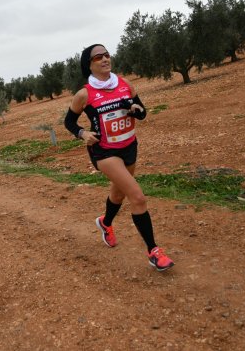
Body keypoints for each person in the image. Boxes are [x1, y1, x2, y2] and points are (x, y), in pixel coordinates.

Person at [64, 44, 174, 272]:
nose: (105, 59)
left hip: (129, 146)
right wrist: (83, 133)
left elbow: (142, 112)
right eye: (98, 57)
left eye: (107, 55)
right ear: (89, 64)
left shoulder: (124, 84)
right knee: (138, 197)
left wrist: (136, 110)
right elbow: (69, 122)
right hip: (104, 151)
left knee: (118, 193)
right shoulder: (84, 94)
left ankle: (105, 223)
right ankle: (153, 251)